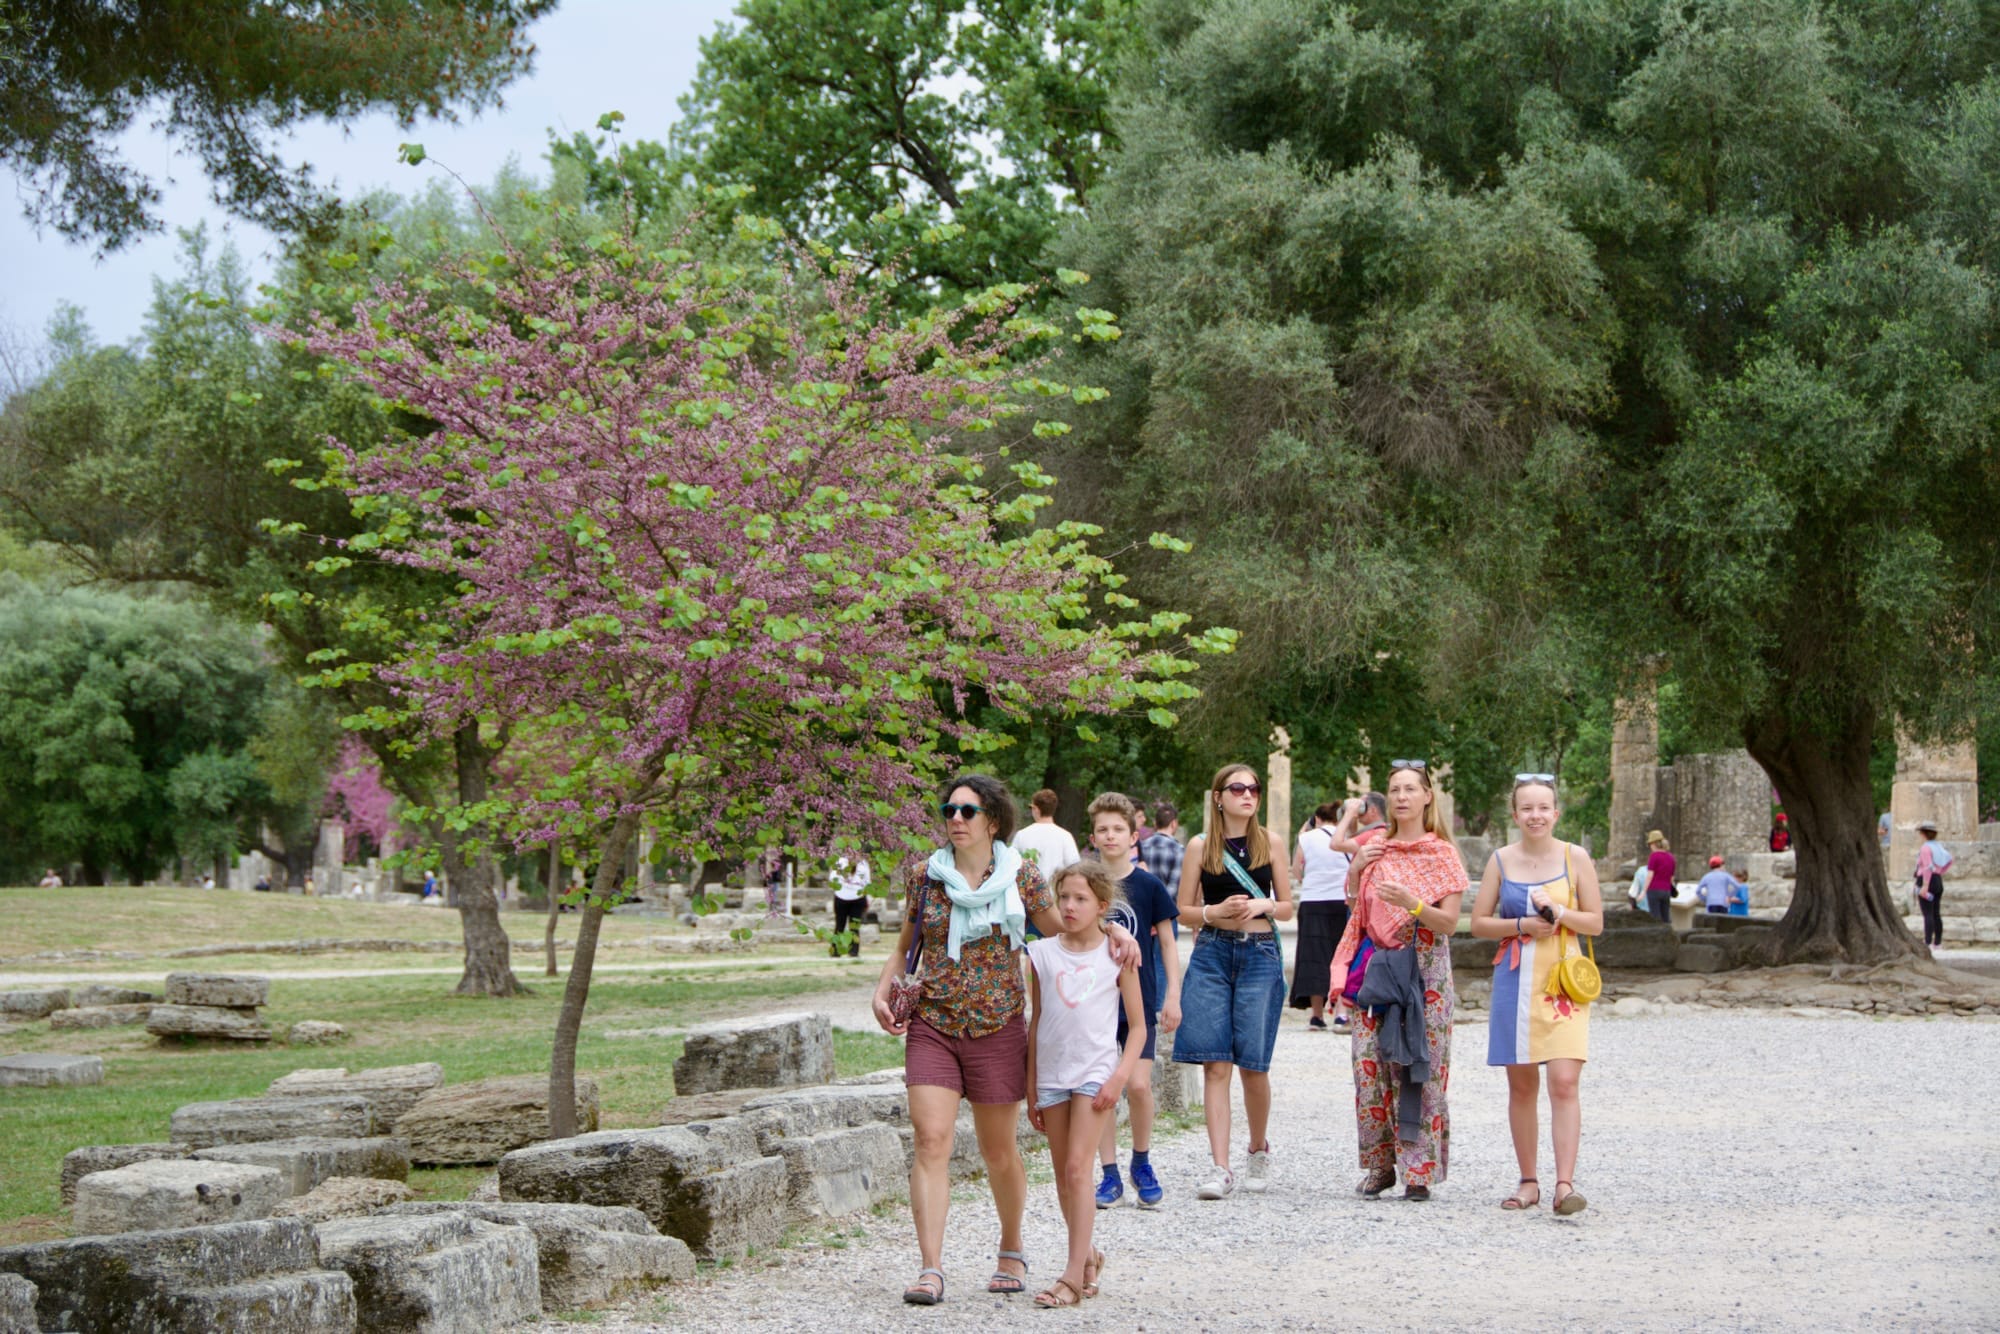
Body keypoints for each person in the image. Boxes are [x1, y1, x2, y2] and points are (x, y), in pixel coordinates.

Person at [871, 774, 1139, 1306]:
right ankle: (930, 1268)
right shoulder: (925, 876)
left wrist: (1114, 929)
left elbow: (1065, 927)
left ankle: (1011, 1248)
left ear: (993, 821)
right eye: (949, 810)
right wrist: (883, 989)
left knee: (997, 1150)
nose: (955, 819)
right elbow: (905, 946)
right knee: (930, 1140)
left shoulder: (1022, 876)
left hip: (997, 1026)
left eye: (967, 811)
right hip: (933, 1024)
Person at [1330, 759, 1465, 1201]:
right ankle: (1380, 1166)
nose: (1402, 797)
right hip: (1380, 967)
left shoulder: (1442, 853)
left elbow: (1449, 923)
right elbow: (1358, 912)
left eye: (1410, 789)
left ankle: (1419, 1170)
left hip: (1425, 972)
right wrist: (1355, 870)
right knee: (1368, 1064)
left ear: (1427, 797)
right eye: (1395, 790)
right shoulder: (1375, 847)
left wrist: (1413, 904)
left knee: (1419, 1067)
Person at [1472, 775, 1604, 1216]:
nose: (1536, 815)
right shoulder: (1501, 860)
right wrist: (1522, 925)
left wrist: (1561, 912)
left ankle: (1565, 1184)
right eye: (1527, 808)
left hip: (1562, 981)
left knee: (1564, 1081)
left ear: (1556, 813)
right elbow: (1478, 923)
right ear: (1515, 815)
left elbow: (1596, 922)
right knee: (1522, 1084)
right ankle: (1528, 1180)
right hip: (1515, 980)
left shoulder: (1575, 857)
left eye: (1543, 808)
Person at [1024, 858, 1147, 1308]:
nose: (1070, 907)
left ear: (1102, 905)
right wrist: (1031, 1087)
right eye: (1064, 898)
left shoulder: (1117, 955)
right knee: (1064, 1177)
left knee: (1079, 1169)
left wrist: (1119, 1077)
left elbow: (1138, 1027)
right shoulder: (1041, 954)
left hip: (1096, 1073)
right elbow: (1037, 1021)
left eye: (1081, 899)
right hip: (1052, 1073)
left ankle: (1071, 1278)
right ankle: (1089, 1256)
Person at [1173, 763, 1294, 1201]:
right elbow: (1182, 910)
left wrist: (1262, 905)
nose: (1247, 795)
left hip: (1259, 953)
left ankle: (1257, 1148)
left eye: (1254, 789)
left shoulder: (1270, 842)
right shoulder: (1200, 846)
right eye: (1237, 788)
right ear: (1218, 797)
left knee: (1254, 1066)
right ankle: (1220, 1167)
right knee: (1215, 1063)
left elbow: (1287, 908)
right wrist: (1214, 912)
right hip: (1213, 954)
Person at [1085, 792, 1182, 1210]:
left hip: (1139, 1002)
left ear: (1133, 836)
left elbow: (1168, 944)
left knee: (1139, 1084)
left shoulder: (1148, 885)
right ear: (1093, 837)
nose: (1110, 836)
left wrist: (1173, 994)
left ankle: (1141, 1161)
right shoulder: (1084, 885)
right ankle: (1108, 1173)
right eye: (1102, 830)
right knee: (1102, 1088)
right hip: (1096, 1003)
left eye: (1118, 829)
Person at [1290, 799, 1357, 1030]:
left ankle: (1316, 1015)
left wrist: (1305, 829)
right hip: (1342, 901)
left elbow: (1297, 871)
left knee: (1313, 957)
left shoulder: (1306, 838)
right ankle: (1341, 1012)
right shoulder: (1347, 838)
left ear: (1317, 818)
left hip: (1312, 901)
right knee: (1342, 955)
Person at [1013, 789, 1081, 872]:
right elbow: (1074, 867)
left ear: (1036, 809)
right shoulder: (1065, 836)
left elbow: (1012, 864)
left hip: (1029, 880)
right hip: (1056, 880)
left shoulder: (1021, 835)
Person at [1914, 821, 1954, 948]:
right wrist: (1940, 871)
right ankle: (1938, 942)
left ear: (1923, 834)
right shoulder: (1938, 846)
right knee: (1936, 912)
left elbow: (1927, 867)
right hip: (1937, 880)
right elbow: (1950, 859)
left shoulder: (1925, 848)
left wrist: (1925, 885)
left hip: (1927, 880)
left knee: (1928, 913)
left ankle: (1927, 941)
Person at [830, 855, 871, 958]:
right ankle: (853, 951)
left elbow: (832, 878)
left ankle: (836, 951)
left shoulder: (841, 862)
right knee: (853, 927)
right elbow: (867, 882)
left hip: (843, 897)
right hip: (855, 897)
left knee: (840, 926)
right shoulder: (862, 863)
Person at [1137, 803, 1185, 891]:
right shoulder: (1178, 850)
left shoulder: (1142, 846)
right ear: (1174, 823)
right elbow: (1174, 887)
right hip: (1165, 899)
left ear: (1155, 823)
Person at [1642, 831, 1676, 923]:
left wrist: (1644, 891)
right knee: (1666, 918)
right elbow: (1671, 878)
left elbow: (1650, 875)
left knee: (1655, 917)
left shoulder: (1654, 856)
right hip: (1666, 891)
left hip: (1654, 889)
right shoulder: (1671, 857)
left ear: (1654, 844)